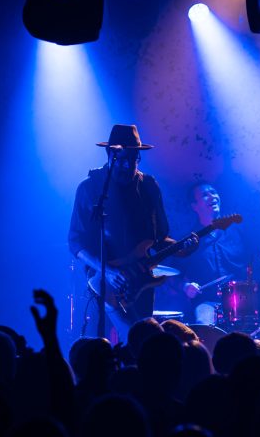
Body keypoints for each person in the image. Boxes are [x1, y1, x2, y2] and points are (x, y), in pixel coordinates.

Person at [68, 124, 184, 341]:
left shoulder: (149, 186)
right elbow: (75, 242)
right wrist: (107, 271)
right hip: (101, 283)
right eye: (121, 160)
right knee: (97, 347)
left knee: (142, 345)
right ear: (110, 155)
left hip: (141, 281)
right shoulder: (90, 189)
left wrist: (182, 247)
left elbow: (160, 237)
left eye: (133, 159)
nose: (127, 165)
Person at [179, 182, 252, 326]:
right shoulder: (190, 241)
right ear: (194, 206)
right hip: (208, 302)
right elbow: (175, 274)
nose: (212, 196)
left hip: (242, 298)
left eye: (214, 192)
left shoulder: (239, 231)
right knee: (204, 325)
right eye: (205, 195)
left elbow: (258, 254)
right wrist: (186, 286)